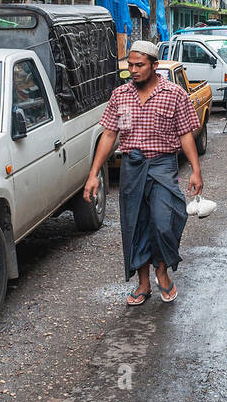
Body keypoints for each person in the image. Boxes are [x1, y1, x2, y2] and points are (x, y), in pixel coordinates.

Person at [85, 41, 202, 305]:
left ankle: (161, 268)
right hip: (132, 167)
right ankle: (143, 283)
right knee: (134, 224)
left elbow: (185, 134)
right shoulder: (120, 95)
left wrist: (196, 170)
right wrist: (94, 174)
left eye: (139, 65)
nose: (133, 70)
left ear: (154, 65)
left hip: (163, 166)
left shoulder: (175, 94)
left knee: (165, 222)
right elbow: (109, 135)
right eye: (130, 65)